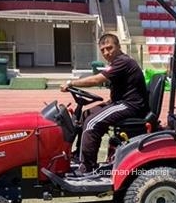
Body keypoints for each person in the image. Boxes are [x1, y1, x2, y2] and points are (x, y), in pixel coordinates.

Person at [61, 33, 149, 175]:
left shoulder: (123, 62)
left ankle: (86, 168)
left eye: (109, 48)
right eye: (103, 50)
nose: (106, 53)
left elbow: (97, 80)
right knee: (86, 114)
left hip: (130, 105)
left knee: (91, 123)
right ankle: (78, 156)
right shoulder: (116, 63)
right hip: (120, 102)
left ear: (119, 46)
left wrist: (71, 83)